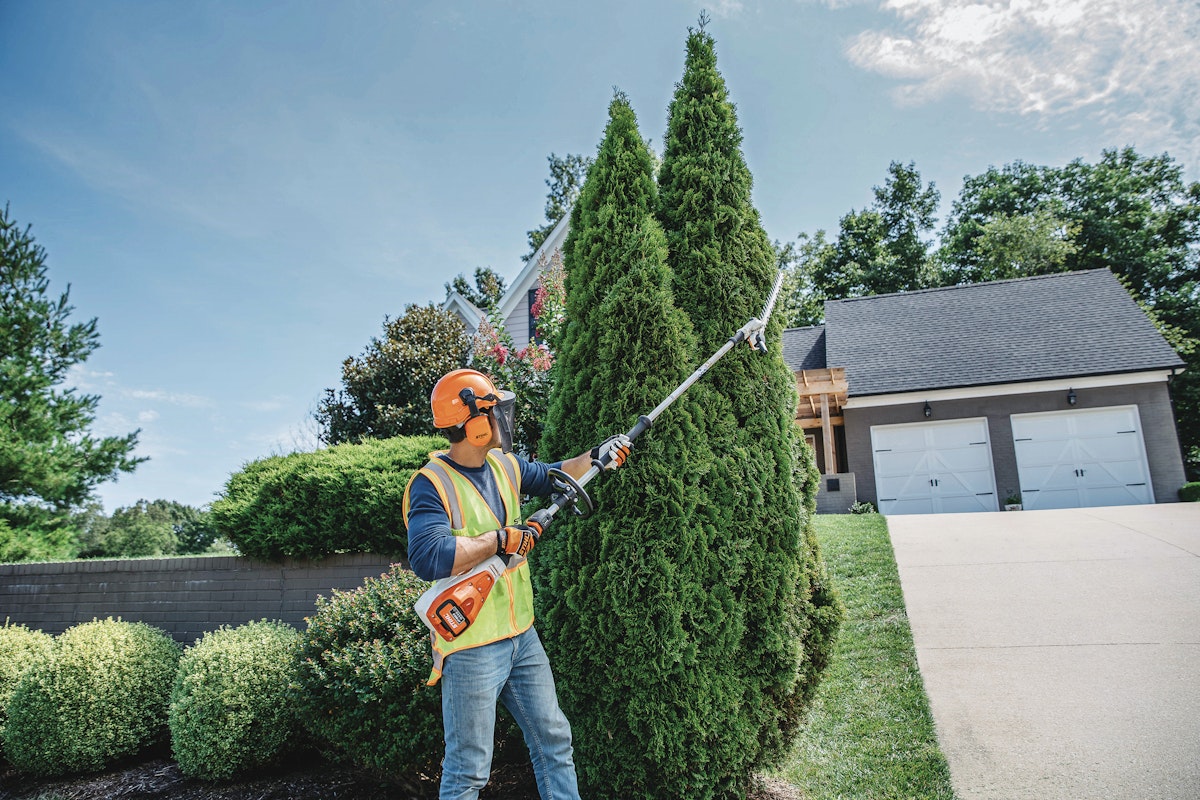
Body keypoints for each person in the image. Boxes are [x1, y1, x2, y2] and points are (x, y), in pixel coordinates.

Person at [403, 368, 631, 800]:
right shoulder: (432, 484)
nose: (503, 420)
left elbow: (555, 474)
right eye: (494, 412)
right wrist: (501, 539)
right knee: (468, 771)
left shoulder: (504, 466)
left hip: (522, 637)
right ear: (472, 425)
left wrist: (599, 453)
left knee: (554, 741)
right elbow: (429, 556)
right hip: (472, 647)